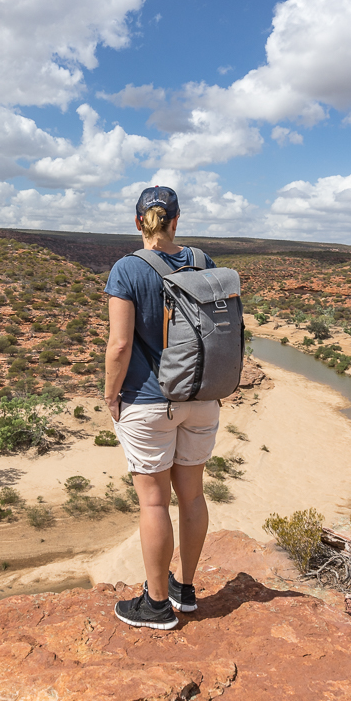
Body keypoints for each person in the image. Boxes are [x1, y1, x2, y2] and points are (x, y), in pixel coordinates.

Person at [104, 185, 220, 630]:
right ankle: (185, 590)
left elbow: (119, 345)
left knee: (153, 503)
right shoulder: (202, 261)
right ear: (176, 220)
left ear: (138, 222)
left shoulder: (127, 269)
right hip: (202, 398)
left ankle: (155, 606)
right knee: (192, 494)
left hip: (150, 402)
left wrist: (111, 394)